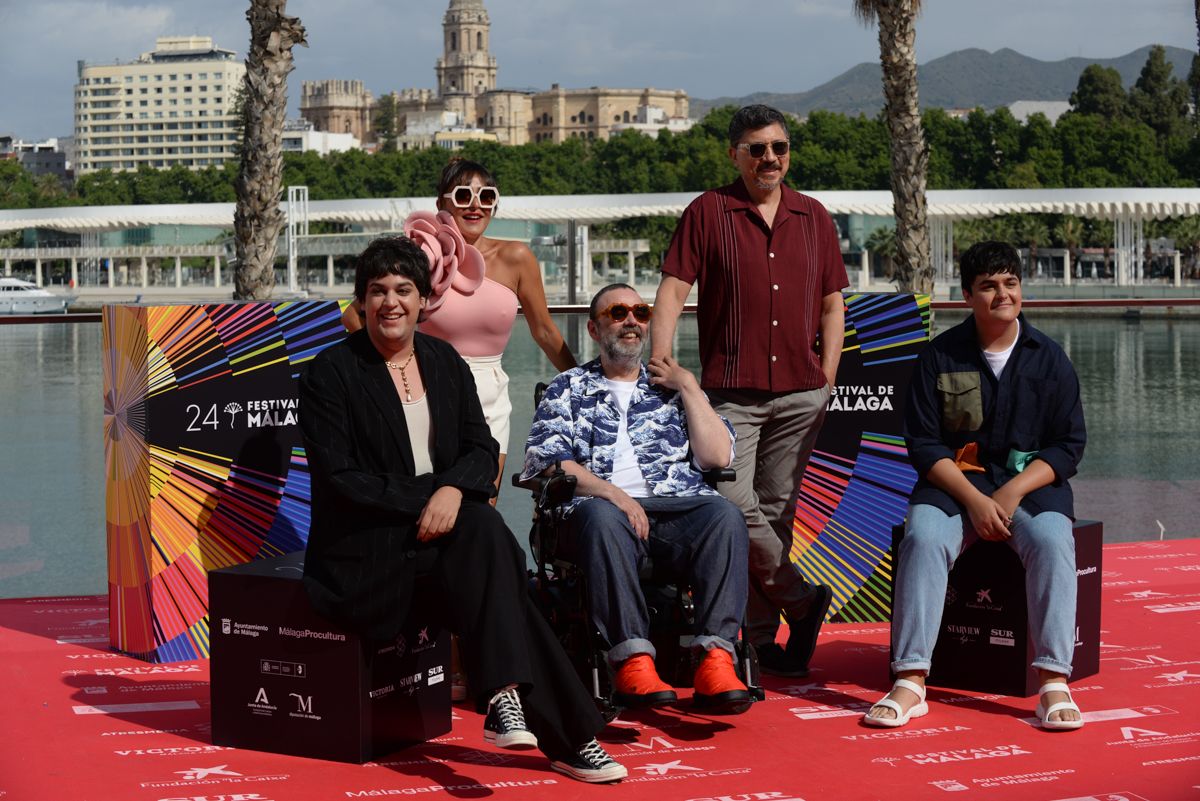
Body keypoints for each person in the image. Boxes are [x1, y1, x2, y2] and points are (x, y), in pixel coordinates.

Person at [300, 236, 627, 782]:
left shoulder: (443, 359)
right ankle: (561, 732)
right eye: (377, 291)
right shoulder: (330, 374)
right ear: (360, 302)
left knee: (485, 541)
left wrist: (451, 493)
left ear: (424, 299)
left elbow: (481, 449)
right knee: (494, 550)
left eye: (403, 289)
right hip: (367, 554)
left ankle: (508, 700)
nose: (390, 303)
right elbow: (341, 480)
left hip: (443, 544)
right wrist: (434, 498)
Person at [651, 104, 848, 678]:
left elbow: (833, 303)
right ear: (735, 154)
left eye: (779, 148)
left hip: (800, 395)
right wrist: (662, 362)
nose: (770, 158)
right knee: (734, 510)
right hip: (729, 396)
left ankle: (758, 641)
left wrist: (828, 374)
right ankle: (802, 599)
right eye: (757, 148)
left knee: (779, 516)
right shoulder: (708, 212)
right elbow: (672, 290)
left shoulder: (814, 217)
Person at [864, 241, 1087, 731]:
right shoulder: (939, 356)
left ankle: (1053, 683)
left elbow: (1068, 446)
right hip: (954, 485)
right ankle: (911, 680)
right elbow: (923, 445)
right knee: (922, 538)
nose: (1001, 295)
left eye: (1010, 283)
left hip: (1028, 487)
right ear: (968, 294)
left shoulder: (1050, 359)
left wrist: (1009, 494)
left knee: (1053, 540)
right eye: (988, 286)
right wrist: (975, 500)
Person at [522, 283, 753, 714]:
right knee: (603, 517)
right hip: (595, 515)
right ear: (594, 328)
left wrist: (687, 385)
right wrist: (614, 495)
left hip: (675, 510)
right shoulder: (567, 387)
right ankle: (633, 661)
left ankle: (716, 658)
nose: (632, 320)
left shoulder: (671, 387)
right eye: (618, 312)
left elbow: (718, 456)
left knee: (724, 514)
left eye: (641, 312)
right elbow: (547, 462)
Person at [343, 158, 576, 500]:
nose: (475, 205)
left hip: (491, 395)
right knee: (426, 503)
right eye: (464, 195)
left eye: (486, 196)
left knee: (482, 508)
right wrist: (389, 371)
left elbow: (544, 332)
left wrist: (585, 382)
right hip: (426, 388)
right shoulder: (419, 257)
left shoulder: (518, 257)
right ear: (442, 204)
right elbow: (354, 315)